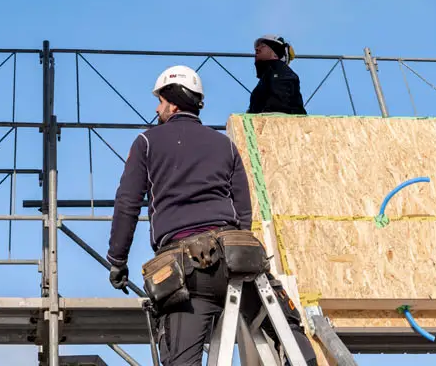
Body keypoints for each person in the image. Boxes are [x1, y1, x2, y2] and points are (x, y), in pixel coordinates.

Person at [107, 65, 316, 366]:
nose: (157, 108)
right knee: (286, 326)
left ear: (173, 102)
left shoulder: (147, 142)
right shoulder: (225, 145)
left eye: (160, 101)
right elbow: (243, 209)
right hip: (237, 259)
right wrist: (234, 250)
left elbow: (127, 203)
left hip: (186, 271)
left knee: (181, 356)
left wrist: (117, 261)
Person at [249, 34, 307, 115]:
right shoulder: (269, 74)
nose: (257, 49)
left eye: (262, 46)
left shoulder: (279, 70)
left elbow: (280, 106)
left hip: (280, 125)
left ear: (276, 54)